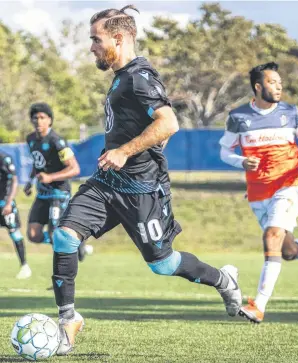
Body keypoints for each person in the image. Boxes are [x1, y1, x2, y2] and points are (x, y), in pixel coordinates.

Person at [52, 4, 242, 356]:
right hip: (107, 184)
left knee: (163, 264)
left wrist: (125, 151)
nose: (91, 46)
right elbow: (155, 126)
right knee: (64, 236)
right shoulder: (121, 77)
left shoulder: (139, 76)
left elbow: (169, 123)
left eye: (96, 39)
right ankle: (68, 320)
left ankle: (224, 280)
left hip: (143, 191)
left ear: (119, 38)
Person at [219, 62, 298, 323]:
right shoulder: (238, 117)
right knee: (288, 251)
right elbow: (225, 152)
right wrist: (240, 161)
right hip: (257, 191)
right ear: (258, 86)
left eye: (280, 82)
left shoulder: (291, 113)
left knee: (272, 236)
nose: (279, 86)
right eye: (273, 82)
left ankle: (258, 305)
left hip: (288, 184)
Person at [24, 103, 90, 260]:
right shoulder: (31, 139)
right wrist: (29, 181)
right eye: (35, 118)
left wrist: (51, 177)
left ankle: (60, 280)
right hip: (42, 193)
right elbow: (38, 162)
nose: (38, 121)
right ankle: (74, 241)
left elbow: (75, 169)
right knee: (33, 235)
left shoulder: (57, 141)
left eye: (42, 117)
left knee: (56, 235)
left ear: (50, 120)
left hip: (58, 193)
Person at [0, 151, 31, 279]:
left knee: (14, 233)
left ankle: (24, 266)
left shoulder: (5, 158)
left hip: (5, 203)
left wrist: (8, 203)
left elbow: (14, 181)